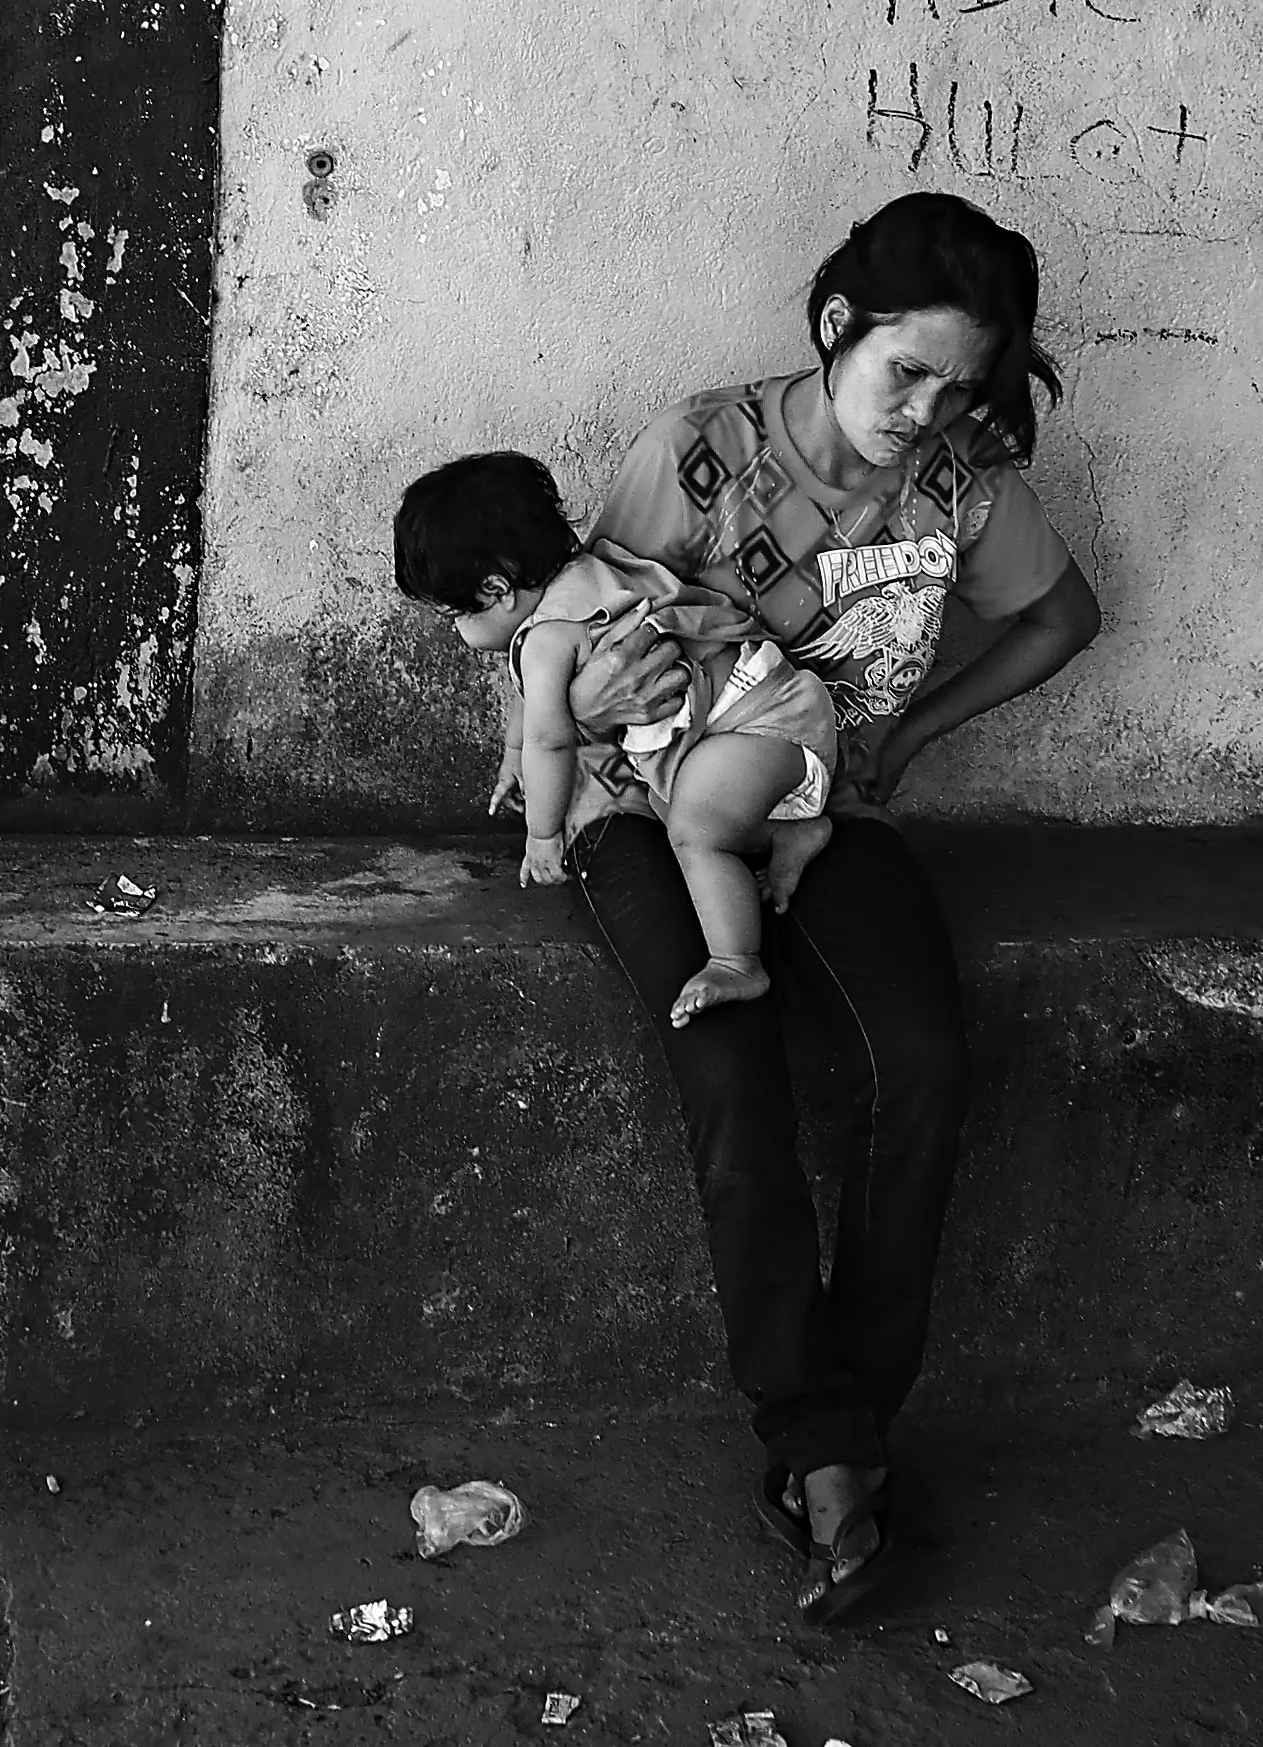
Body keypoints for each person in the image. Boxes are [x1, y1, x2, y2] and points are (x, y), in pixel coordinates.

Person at [552, 192, 1103, 1624]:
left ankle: (853, 1424)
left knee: (919, 1062)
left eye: (955, 388)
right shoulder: (697, 446)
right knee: (729, 1069)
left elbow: (1060, 618)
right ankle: (819, 1445)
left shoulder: (959, 491)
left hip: (825, 808)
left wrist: (904, 745)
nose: (921, 414)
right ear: (832, 328)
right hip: (656, 819)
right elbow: (562, 647)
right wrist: (594, 698)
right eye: (900, 373)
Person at [392, 451, 838, 1027]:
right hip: (773, 711)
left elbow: (551, 742)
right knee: (670, 800)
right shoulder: (589, 575)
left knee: (694, 831)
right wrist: (511, 754)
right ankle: (791, 832)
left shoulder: (549, 639)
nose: (456, 629)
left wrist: (543, 835)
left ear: (498, 588)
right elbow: (528, 707)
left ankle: (736, 962)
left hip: (757, 720)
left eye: (455, 613)